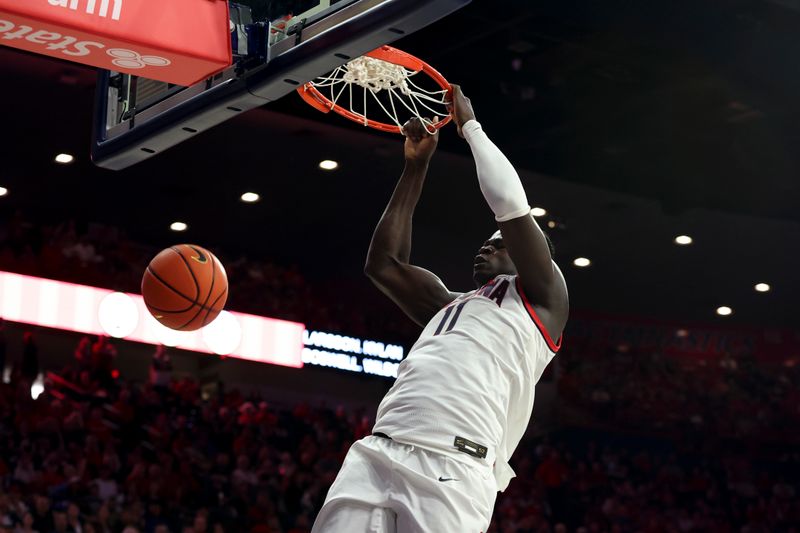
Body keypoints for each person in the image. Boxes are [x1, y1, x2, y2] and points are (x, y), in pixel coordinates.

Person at [311, 85, 569, 531]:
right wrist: (415, 166)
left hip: (455, 461)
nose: (486, 247)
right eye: (485, 243)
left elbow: (509, 205)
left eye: (500, 244)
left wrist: (470, 128)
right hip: (379, 450)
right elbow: (384, 266)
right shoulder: (446, 304)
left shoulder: (543, 298)